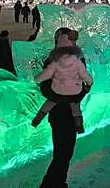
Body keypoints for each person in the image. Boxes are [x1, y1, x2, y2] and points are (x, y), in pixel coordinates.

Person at [39, 28, 86, 188]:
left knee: (64, 152)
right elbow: (44, 87)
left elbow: (83, 85)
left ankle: (57, 182)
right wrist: (65, 96)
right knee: (63, 152)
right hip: (61, 112)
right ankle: (51, 184)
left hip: (64, 112)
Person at [32, 46, 93, 132]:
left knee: (50, 102)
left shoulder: (56, 62)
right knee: (76, 107)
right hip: (75, 92)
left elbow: (46, 74)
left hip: (58, 91)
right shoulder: (78, 62)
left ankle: (37, 120)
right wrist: (89, 84)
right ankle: (79, 126)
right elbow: (84, 75)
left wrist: (36, 80)